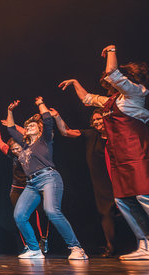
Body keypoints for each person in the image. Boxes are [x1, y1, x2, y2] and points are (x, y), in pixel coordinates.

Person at [59, 45, 149, 260]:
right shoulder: (110, 101)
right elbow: (87, 99)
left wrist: (111, 51)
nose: (109, 83)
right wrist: (76, 83)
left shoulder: (135, 93)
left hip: (137, 153)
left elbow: (112, 73)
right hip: (119, 156)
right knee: (125, 201)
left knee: (147, 197)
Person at [6, 98, 88, 260]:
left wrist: (40, 104)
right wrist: (10, 111)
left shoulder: (44, 140)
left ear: (40, 129)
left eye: (32, 125)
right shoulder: (24, 145)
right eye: (27, 126)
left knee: (52, 211)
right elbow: (10, 128)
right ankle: (34, 250)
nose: (29, 127)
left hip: (48, 177)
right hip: (31, 183)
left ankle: (77, 248)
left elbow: (48, 119)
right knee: (19, 216)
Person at [52, 109, 119, 257]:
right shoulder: (92, 135)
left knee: (131, 210)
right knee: (106, 213)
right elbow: (66, 132)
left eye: (99, 118)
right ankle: (111, 247)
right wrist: (57, 116)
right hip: (102, 183)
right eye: (94, 120)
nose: (97, 122)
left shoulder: (118, 135)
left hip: (120, 179)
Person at [0, 122, 49, 252]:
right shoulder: (11, 154)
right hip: (17, 188)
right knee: (19, 216)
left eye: (17, 148)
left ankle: (43, 239)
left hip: (33, 186)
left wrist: (13, 125)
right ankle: (27, 245)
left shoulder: (31, 150)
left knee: (41, 212)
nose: (15, 151)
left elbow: (30, 134)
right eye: (13, 149)